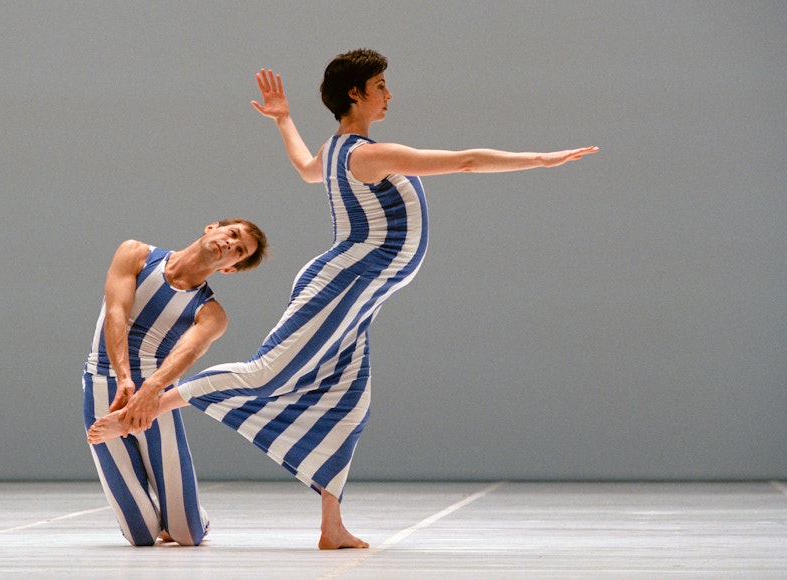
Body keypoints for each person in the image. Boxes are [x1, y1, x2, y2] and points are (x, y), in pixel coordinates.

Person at [89, 48, 598, 549]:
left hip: (362, 292)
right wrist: (540, 159)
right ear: (355, 94)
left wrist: (283, 119)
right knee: (268, 373)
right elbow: (464, 162)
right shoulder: (366, 154)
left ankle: (332, 527)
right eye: (380, 87)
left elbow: (304, 168)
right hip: (345, 281)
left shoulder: (337, 153)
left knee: (349, 400)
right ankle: (148, 407)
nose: (389, 95)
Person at [83, 219, 267, 546]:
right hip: (103, 388)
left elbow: (187, 353)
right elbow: (116, 313)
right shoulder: (135, 254)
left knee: (186, 535)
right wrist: (124, 378)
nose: (230, 244)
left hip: (155, 403)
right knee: (141, 536)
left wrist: (149, 391)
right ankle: (154, 511)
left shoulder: (212, 313)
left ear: (230, 268)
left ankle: (195, 516)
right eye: (232, 234)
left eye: (239, 251)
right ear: (212, 228)